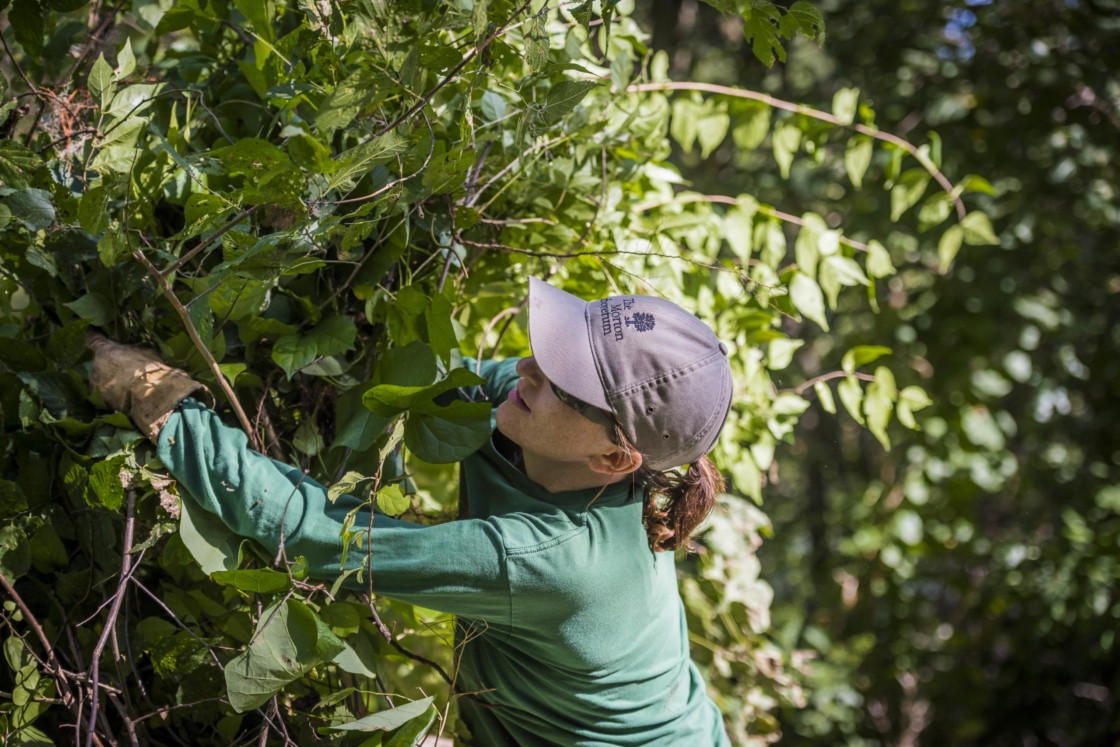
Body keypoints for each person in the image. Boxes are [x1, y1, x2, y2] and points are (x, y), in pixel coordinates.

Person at [85, 275, 736, 746]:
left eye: (561, 380)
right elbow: (429, 381)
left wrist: (162, 402)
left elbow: (319, 537)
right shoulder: (530, 409)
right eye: (554, 348)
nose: (526, 366)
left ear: (615, 460)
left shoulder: (550, 560)